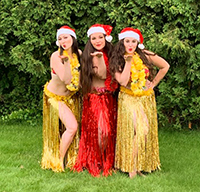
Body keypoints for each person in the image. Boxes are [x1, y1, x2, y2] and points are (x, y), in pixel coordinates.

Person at [110, 27, 170, 178]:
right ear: (122, 42)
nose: (130, 44)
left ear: (138, 43)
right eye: (127, 41)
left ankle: (137, 165)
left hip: (145, 98)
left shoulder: (145, 55)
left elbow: (165, 66)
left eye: (134, 41)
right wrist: (128, 62)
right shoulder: (117, 59)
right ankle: (132, 167)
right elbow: (123, 81)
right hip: (128, 98)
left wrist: (153, 83)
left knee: (142, 131)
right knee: (141, 129)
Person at [73, 24, 118, 177]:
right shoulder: (87, 56)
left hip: (109, 99)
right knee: (100, 132)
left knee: (108, 132)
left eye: (100, 37)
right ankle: (94, 161)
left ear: (106, 38)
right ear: (89, 40)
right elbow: (101, 75)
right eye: (94, 38)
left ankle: (105, 160)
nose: (98, 40)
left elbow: (107, 77)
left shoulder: (111, 54)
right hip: (94, 99)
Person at [41, 25, 82, 172]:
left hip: (70, 97)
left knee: (71, 128)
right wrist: (65, 63)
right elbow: (66, 79)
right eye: (60, 38)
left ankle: (72, 158)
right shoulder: (55, 56)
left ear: (72, 38)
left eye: (66, 37)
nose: (63, 40)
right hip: (54, 98)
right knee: (72, 127)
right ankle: (58, 161)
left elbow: (80, 79)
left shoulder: (79, 54)